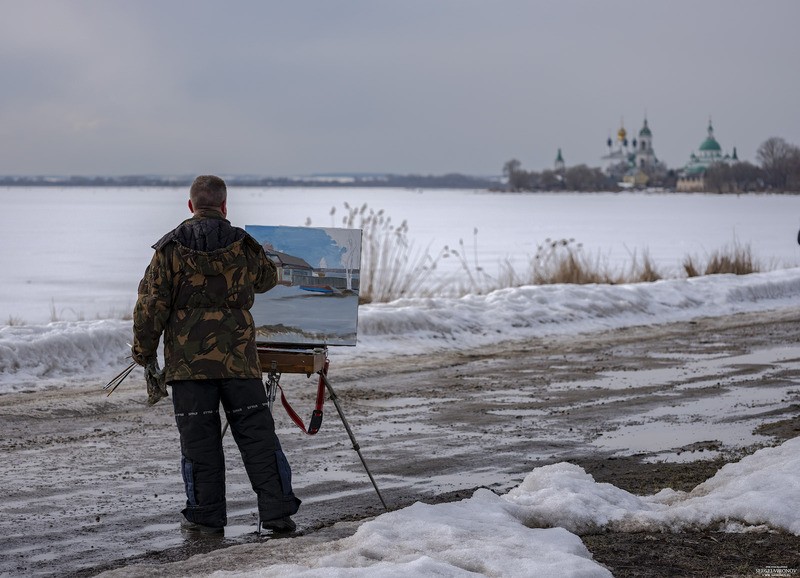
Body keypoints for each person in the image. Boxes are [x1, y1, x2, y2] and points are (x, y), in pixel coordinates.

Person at [131, 175, 301, 534]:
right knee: (258, 438)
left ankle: (207, 518)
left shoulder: (169, 249)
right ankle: (277, 515)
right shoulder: (242, 244)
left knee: (199, 445)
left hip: (189, 369)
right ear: (225, 206)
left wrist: (143, 351)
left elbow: (150, 306)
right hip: (239, 364)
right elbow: (268, 278)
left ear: (191, 206)